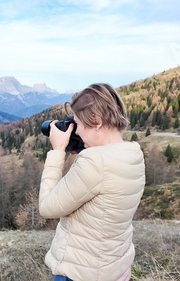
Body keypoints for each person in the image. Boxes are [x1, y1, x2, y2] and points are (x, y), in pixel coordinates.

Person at [39, 83, 146, 281]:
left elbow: (47, 207)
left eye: (77, 124)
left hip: (82, 272)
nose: (76, 131)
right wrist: (86, 150)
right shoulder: (133, 154)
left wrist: (57, 152)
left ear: (95, 120)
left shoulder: (94, 162)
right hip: (115, 267)